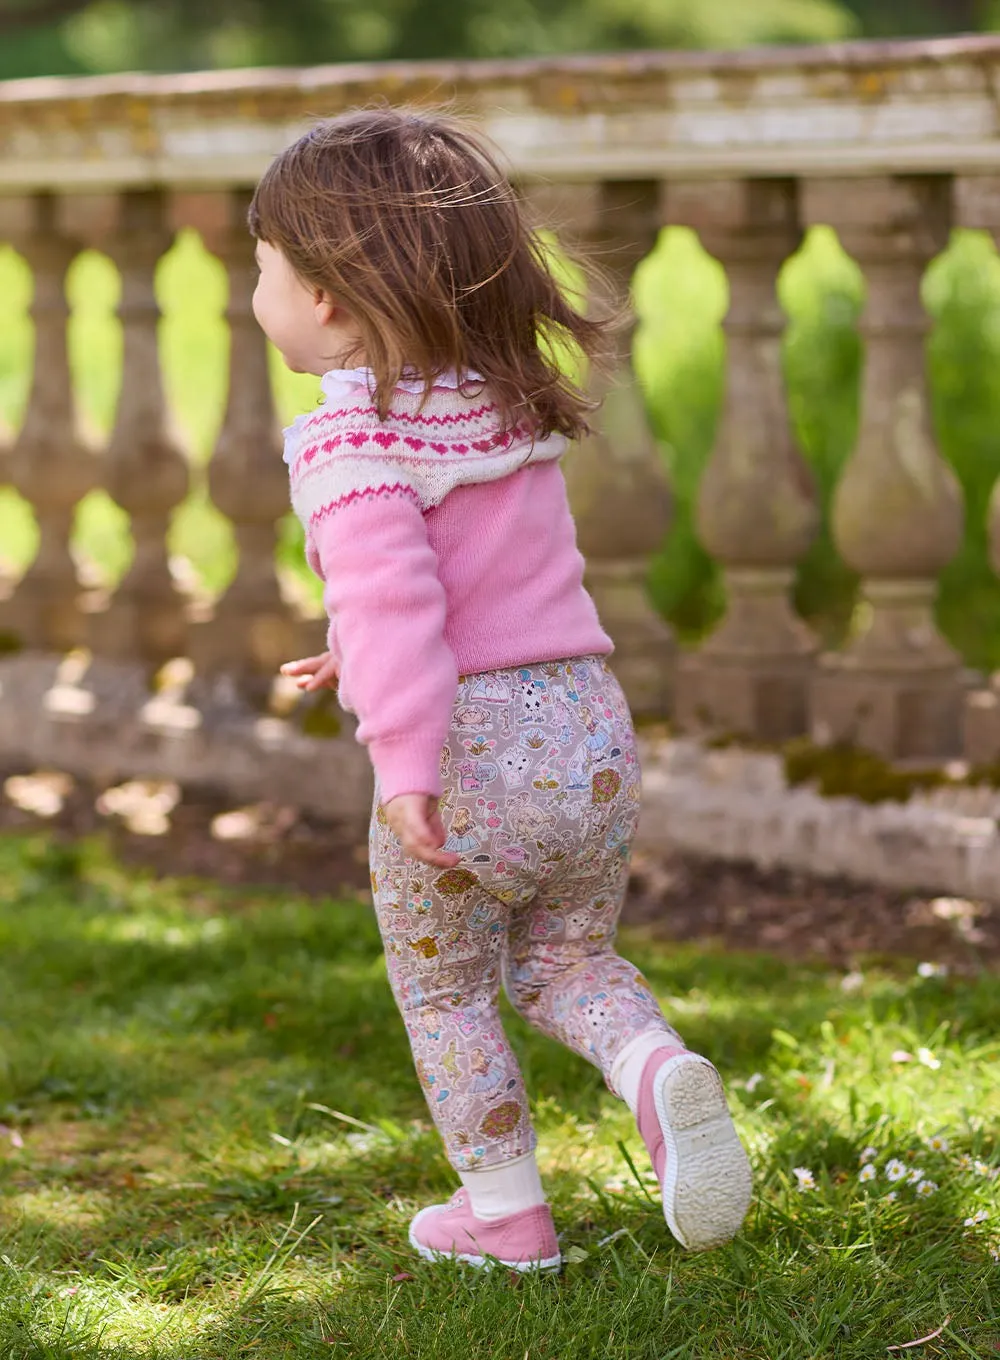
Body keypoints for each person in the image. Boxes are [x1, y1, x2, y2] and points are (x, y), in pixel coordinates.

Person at [249, 107, 752, 1273]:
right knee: (568, 962)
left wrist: (406, 761)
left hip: (467, 751)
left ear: (324, 295)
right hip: (585, 727)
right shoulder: (500, 397)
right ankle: (654, 1067)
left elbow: (399, 609)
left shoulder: (346, 439)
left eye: (262, 268)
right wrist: (351, 652)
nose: (256, 291)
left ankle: (506, 1216)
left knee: (448, 995)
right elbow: (488, 579)